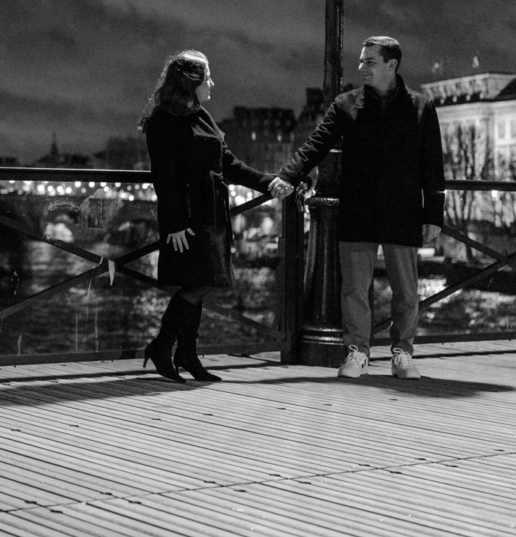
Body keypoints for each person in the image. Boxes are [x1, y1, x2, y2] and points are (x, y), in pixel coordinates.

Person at [272, 36, 444, 379]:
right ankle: (357, 352)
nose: (361, 67)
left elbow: (433, 165)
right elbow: (316, 144)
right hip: (359, 207)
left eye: (369, 61)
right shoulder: (346, 104)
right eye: (361, 60)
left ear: (391, 65)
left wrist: (433, 215)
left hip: (402, 209)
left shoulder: (422, 107)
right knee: (354, 289)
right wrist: (289, 175)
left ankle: (402, 353)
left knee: (406, 291)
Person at [140, 50, 290, 383]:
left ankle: (185, 353)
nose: (212, 83)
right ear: (191, 81)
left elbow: (230, 164)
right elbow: (163, 176)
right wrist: (175, 223)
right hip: (190, 218)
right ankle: (165, 346)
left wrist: (269, 182)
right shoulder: (164, 119)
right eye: (207, 77)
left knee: (203, 283)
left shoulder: (202, 116)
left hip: (212, 213)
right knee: (199, 282)